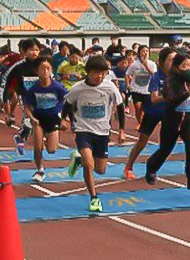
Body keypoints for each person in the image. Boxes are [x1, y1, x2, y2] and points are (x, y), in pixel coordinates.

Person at [64, 56, 125, 213]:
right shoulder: (78, 88)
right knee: (89, 164)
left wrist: (121, 130)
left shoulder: (109, 87)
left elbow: (120, 106)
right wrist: (66, 120)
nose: (100, 76)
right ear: (88, 72)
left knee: (100, 170)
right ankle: (94, 197)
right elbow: (67, 104)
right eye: (97, 73)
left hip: (102, 132)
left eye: (103, 73)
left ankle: (78, 159)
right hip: (83, 130)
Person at [145, 53, 190, 190]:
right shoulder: (170, 82)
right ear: (177, 68)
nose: (188, 69)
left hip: (188, 122)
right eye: (184, 66)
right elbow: (171, 101)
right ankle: (151, 167)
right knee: (165, 150)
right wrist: (186, 94)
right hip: (171, 121)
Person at [124, 47, 175, 180]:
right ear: (162, 62)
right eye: (171, 60)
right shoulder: (156, 77)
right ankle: (129, 166)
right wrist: (169, 97)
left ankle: (153, 167)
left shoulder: (176, 77)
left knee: (166, 145)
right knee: (142, 141)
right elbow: (154, 98)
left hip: (168, 113)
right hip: (153, 112)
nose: (174, 62)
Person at [22, 56, 69, 183]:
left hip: (54, 119)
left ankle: (50, 136)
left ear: (52, 70)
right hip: (39, 119)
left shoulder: (57, 87)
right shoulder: (34, 88)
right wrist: (32, 118)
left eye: (48, 68)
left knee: (51, 150)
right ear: (37, 71)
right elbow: (27, 107)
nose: (45, 71)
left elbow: (69, 101)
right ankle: (40, 169)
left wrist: (64, 119)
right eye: (42, 69)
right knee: (38, 147)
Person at [125, 45, 157, 125]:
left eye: (147, 51)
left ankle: (143, 123)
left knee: (145, 109)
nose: (145, 53)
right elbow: (127, 74)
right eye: (143, 51)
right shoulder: (134, 64)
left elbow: (154, 75)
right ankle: (140, 123)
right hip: (136, 89)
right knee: (137, 108)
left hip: (147, 90)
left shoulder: (152, 64)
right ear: (139, 53)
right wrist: (128, 84)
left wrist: (146, 66)